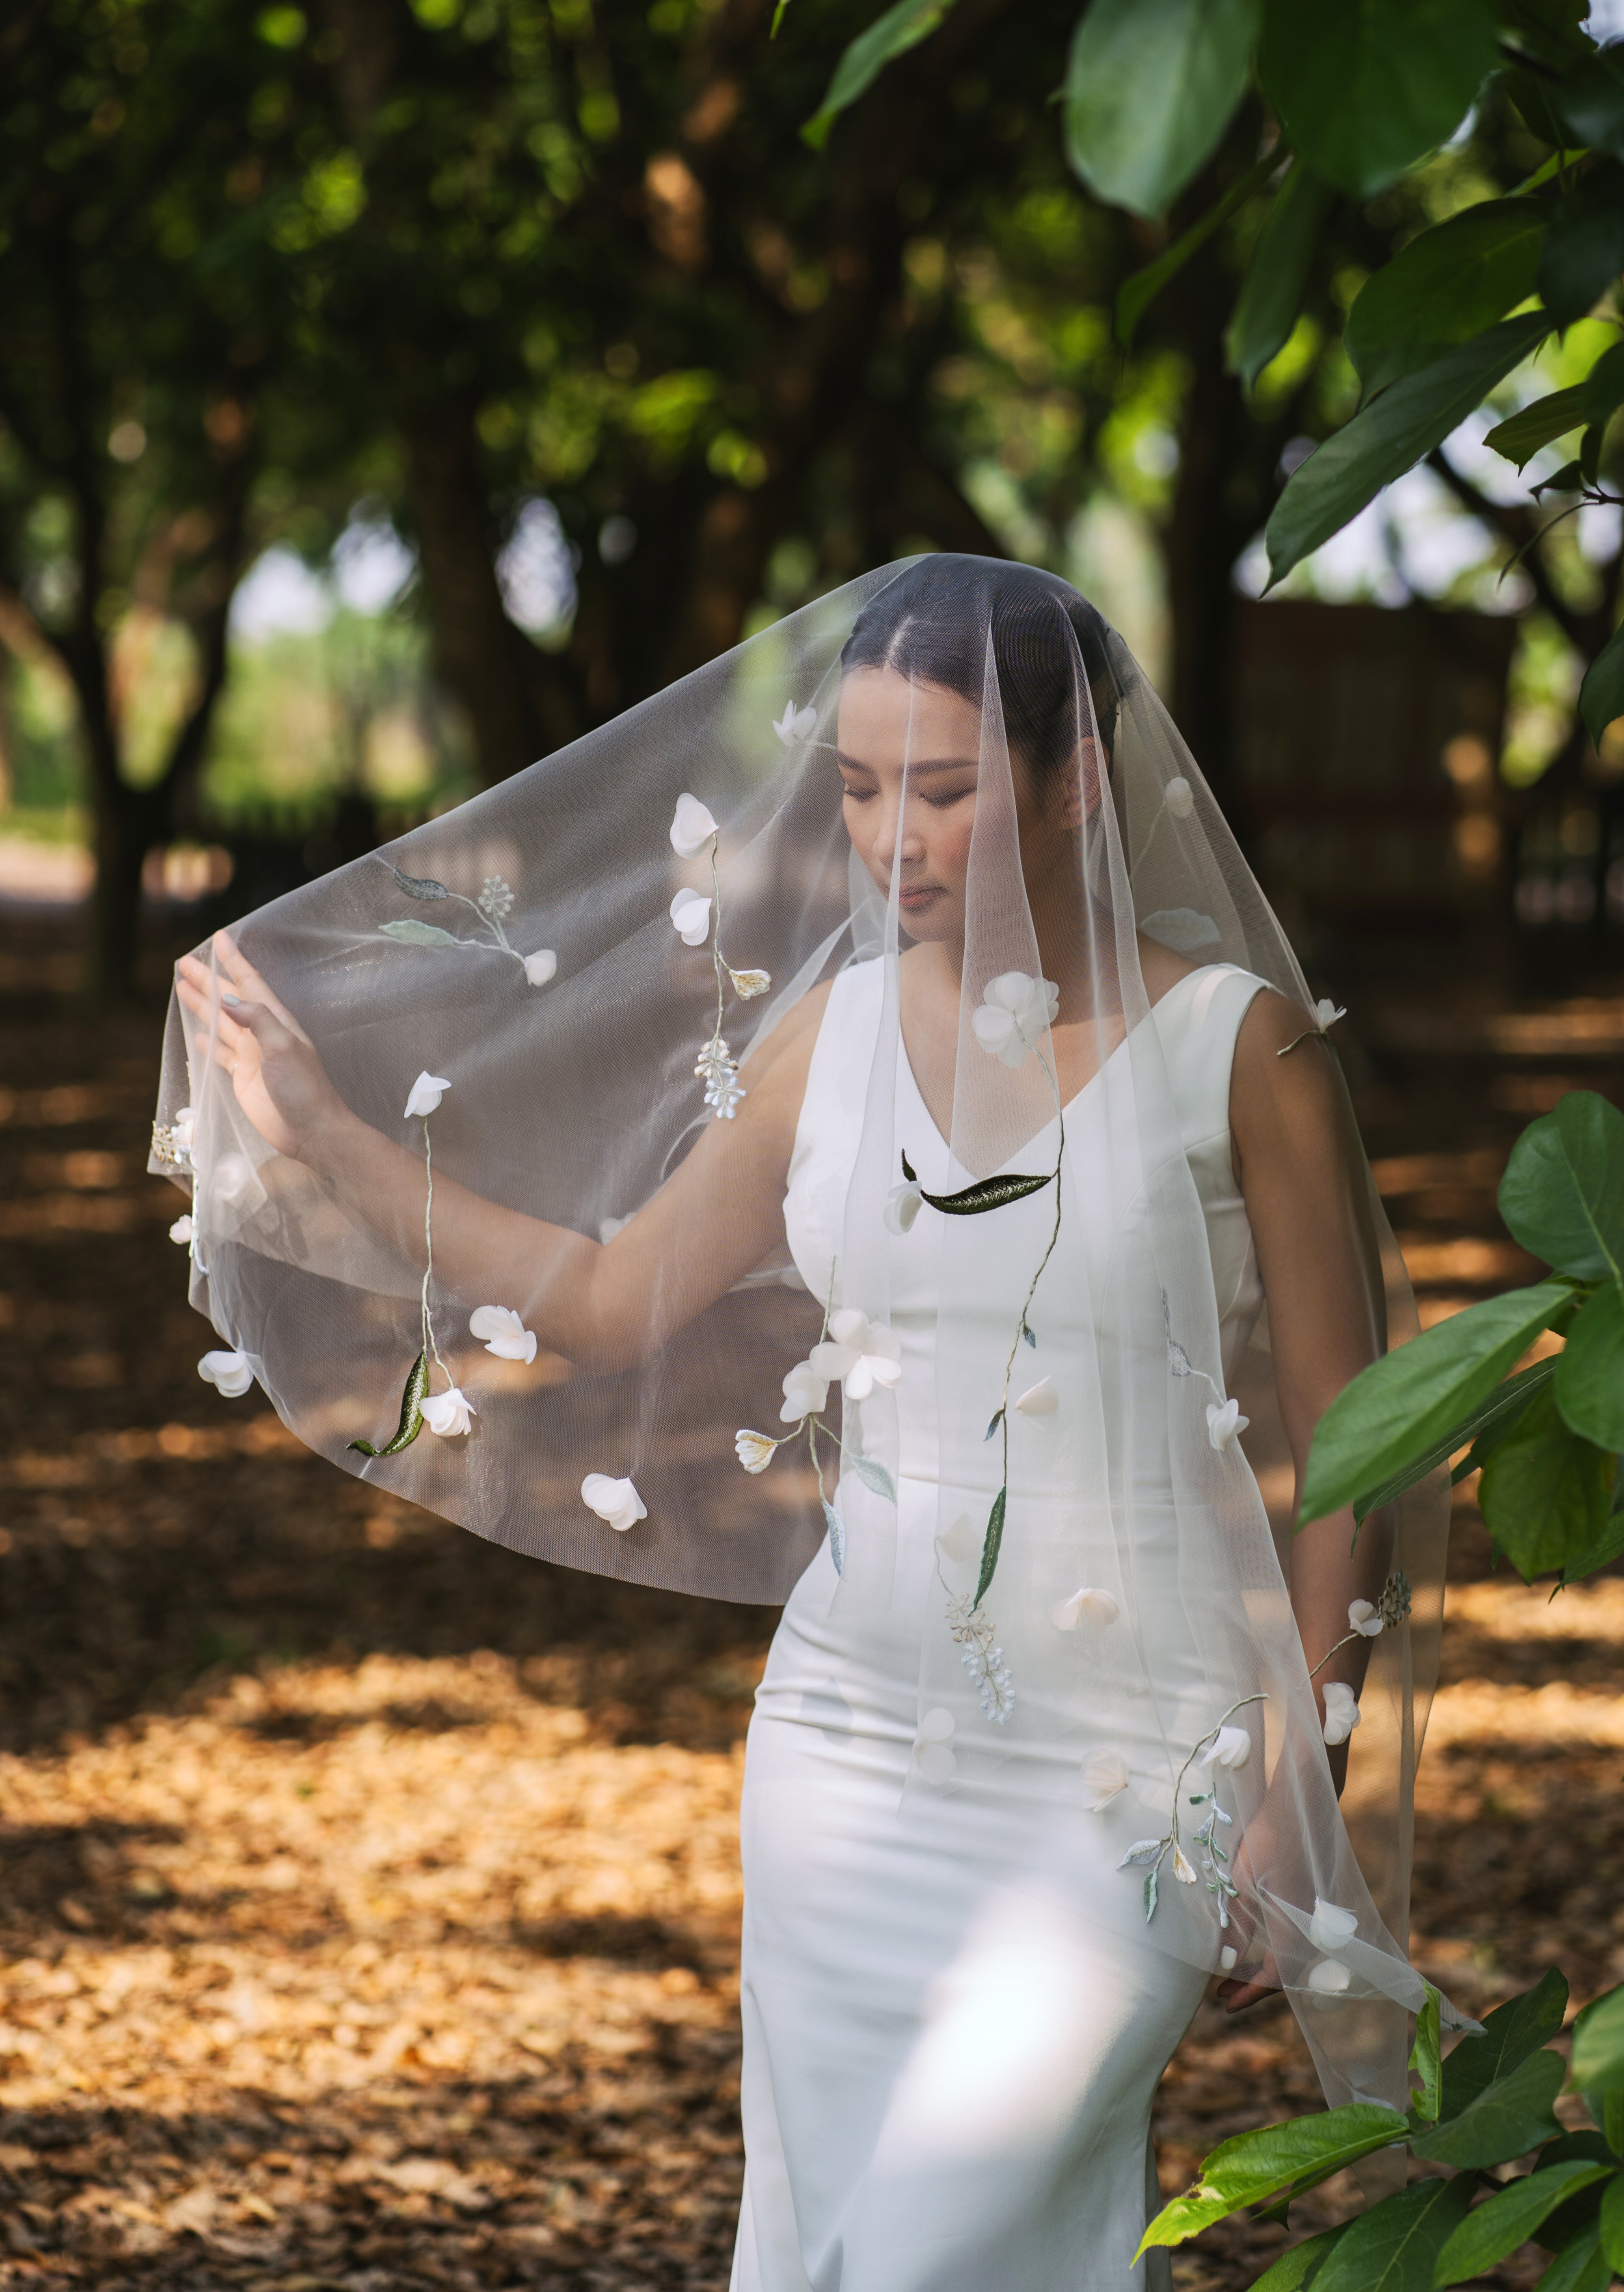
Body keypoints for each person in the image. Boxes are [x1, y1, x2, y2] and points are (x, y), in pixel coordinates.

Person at [155, 557, 1453, 2292]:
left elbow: (1363, 1430)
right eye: (855, 791)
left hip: (1138, 1777)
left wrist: (1309, 1770)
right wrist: (329, 1140)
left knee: (941, 2237)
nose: (891, 840)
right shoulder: (824, 1038)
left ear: (1077, 784)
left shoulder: (1240, 1050)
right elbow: (614, 1294)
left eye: (942, 789)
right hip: (844, 1753)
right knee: (846, 2246)